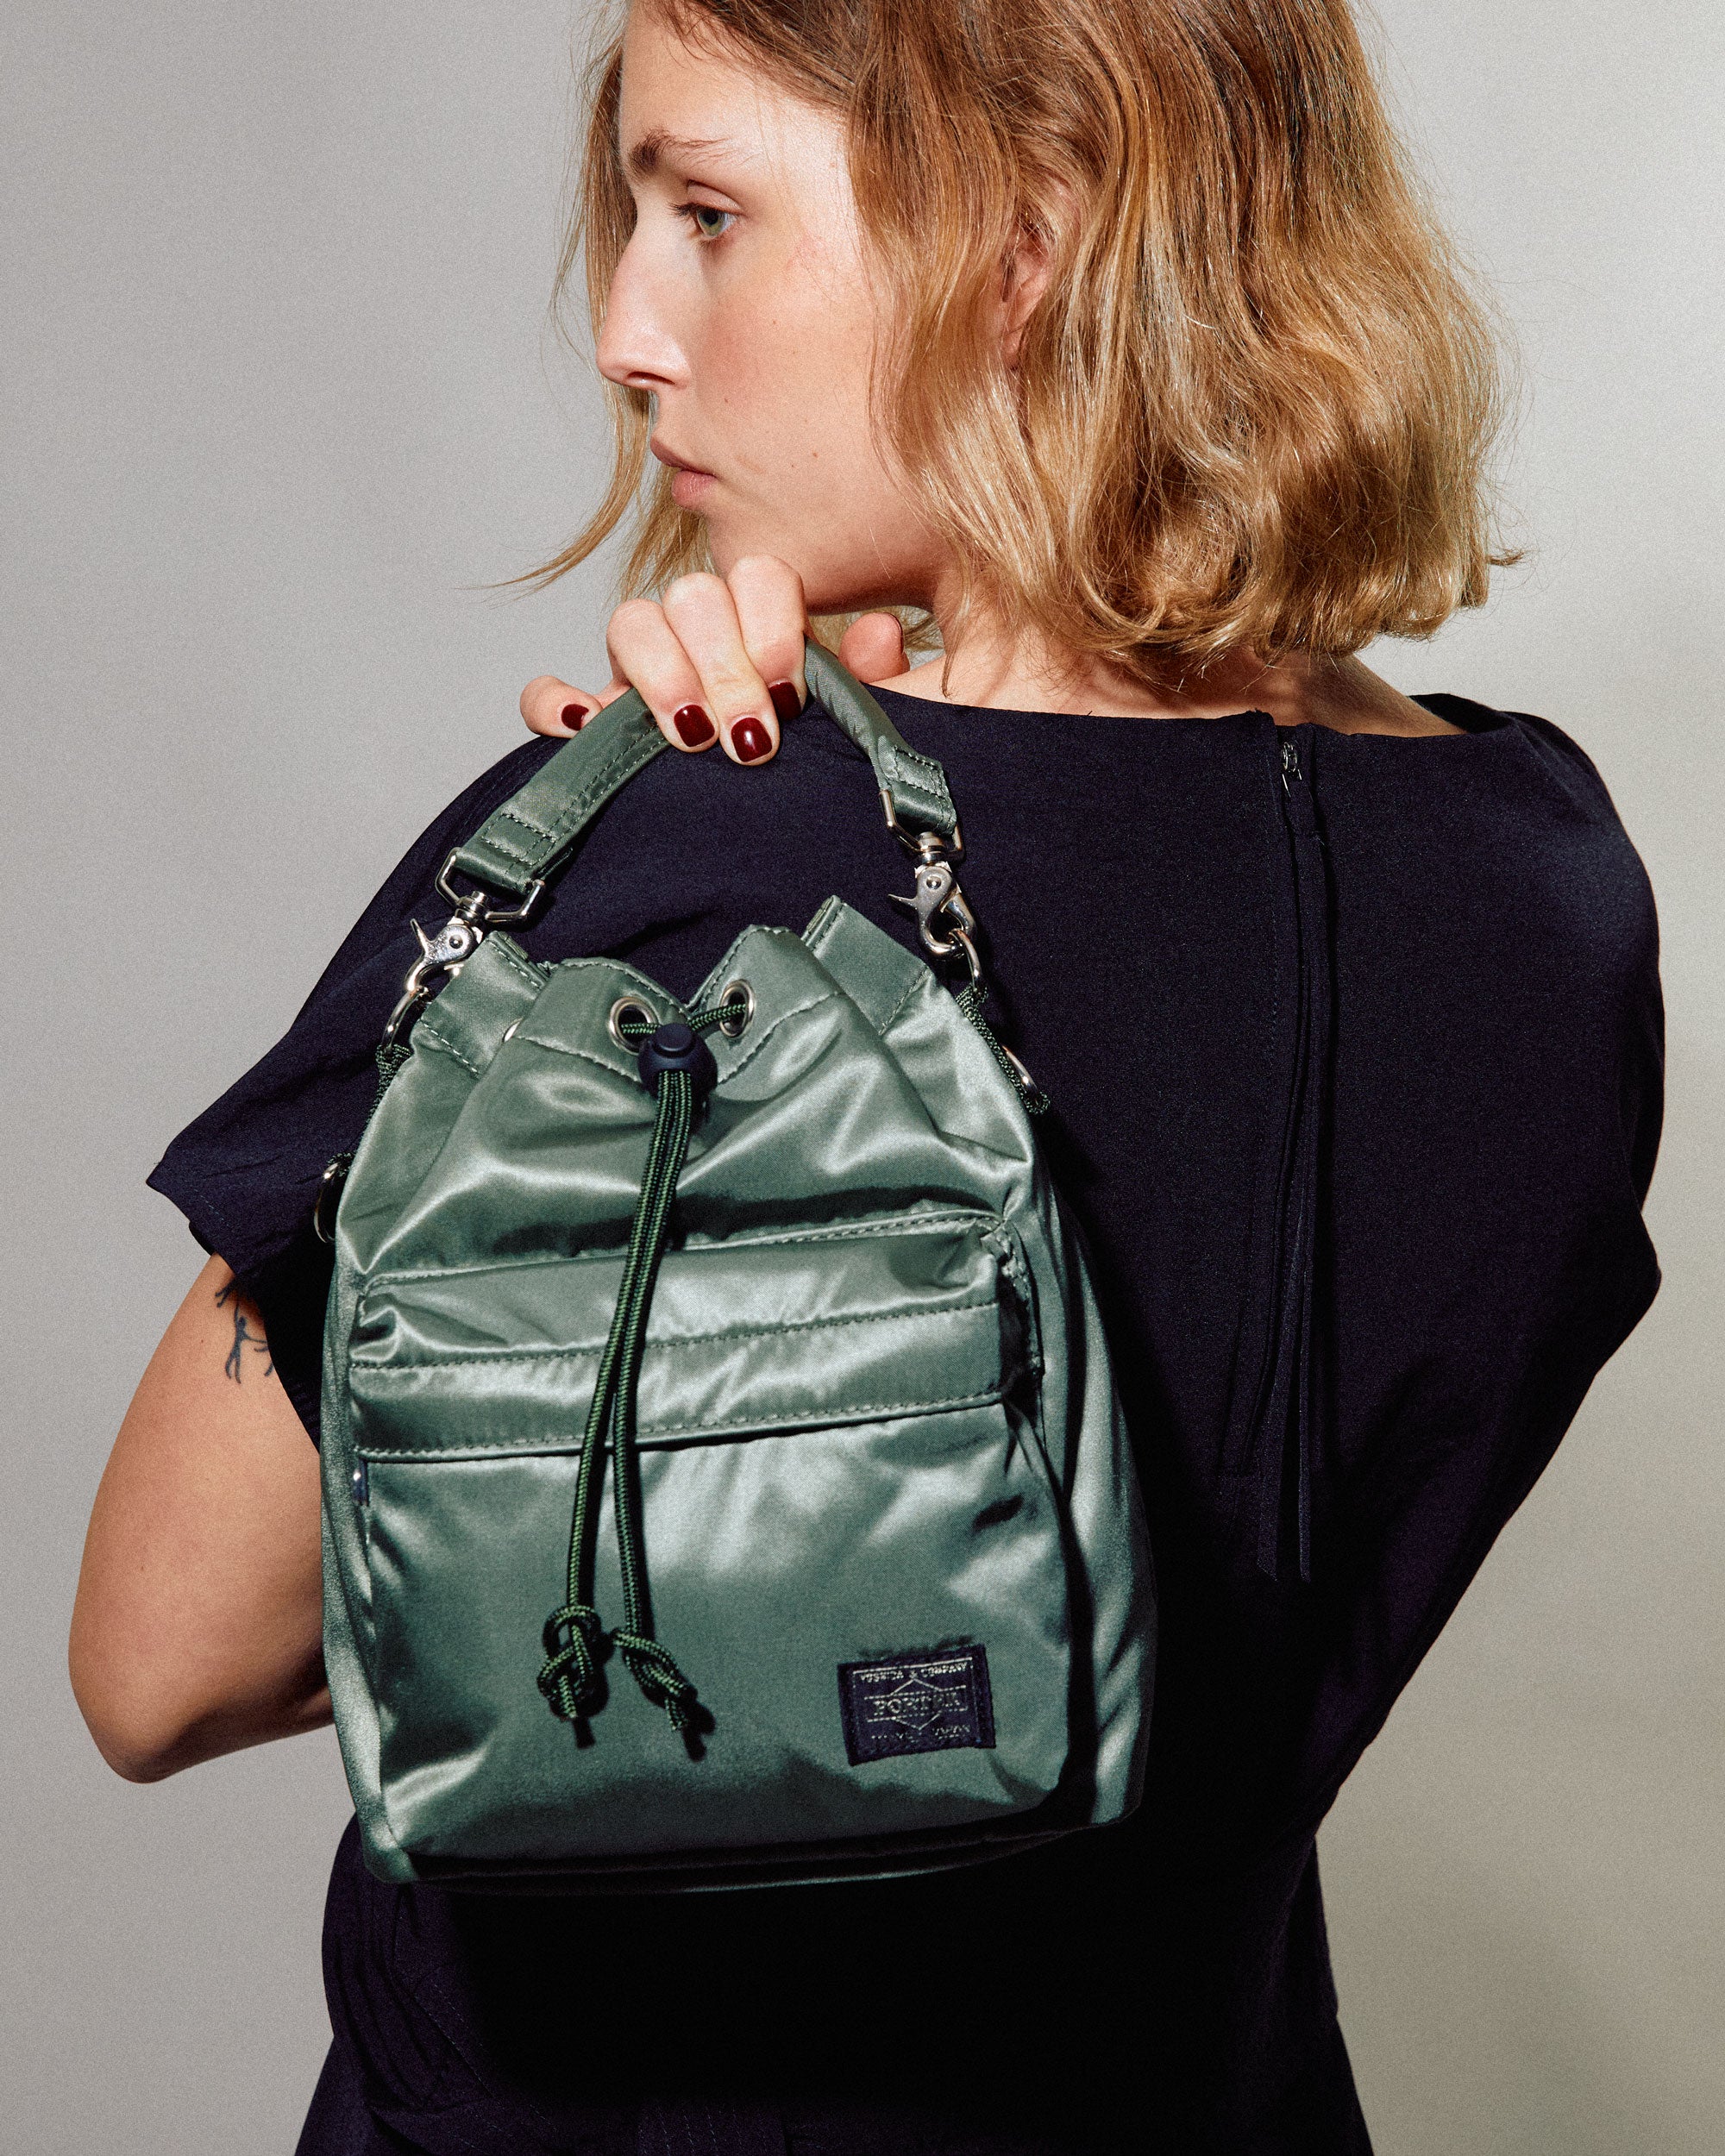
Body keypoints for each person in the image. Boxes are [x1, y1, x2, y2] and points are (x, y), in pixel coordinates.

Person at [69, 1, 1663, 2150]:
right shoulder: (1548, 890)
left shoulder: (680, 876)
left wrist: (570, 891)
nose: (628, 331)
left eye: (710, 215)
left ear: (1028, 240)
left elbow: (163, 1657)